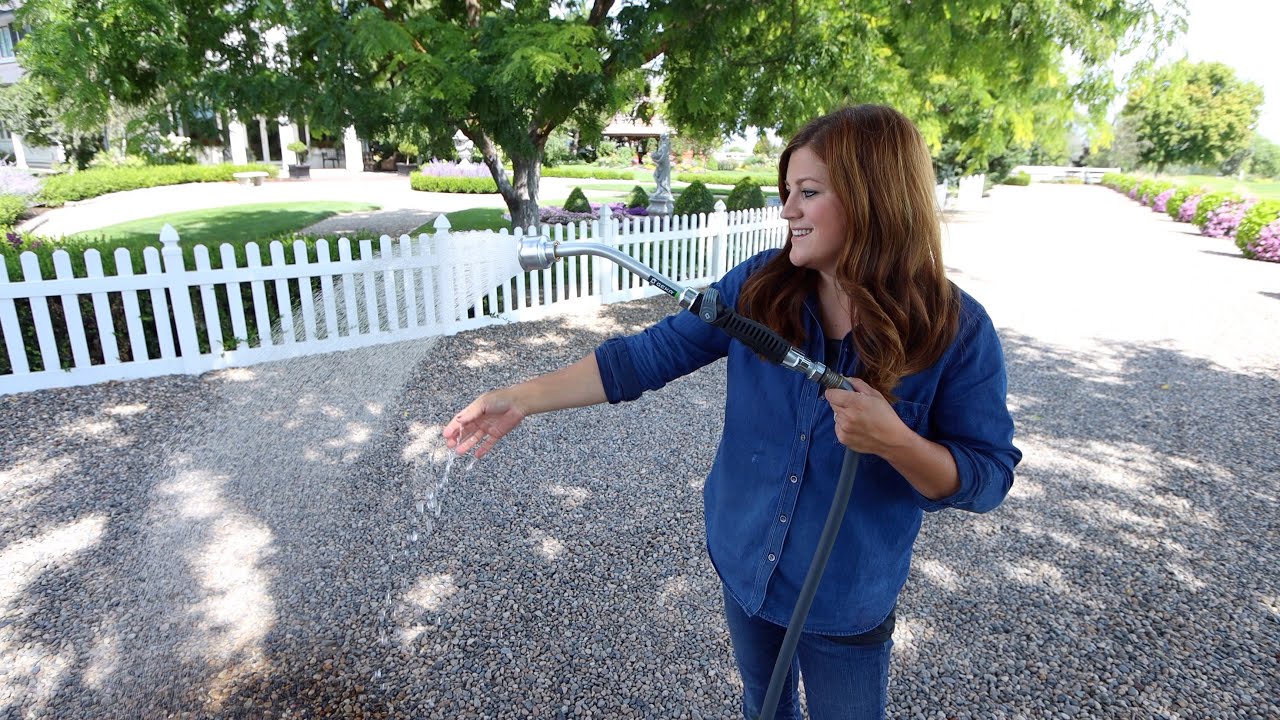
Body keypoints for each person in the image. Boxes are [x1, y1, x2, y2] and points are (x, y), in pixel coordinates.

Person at [443, 105, 1021, 719]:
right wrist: (520, 399)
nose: (787, 211)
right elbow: (646, 356)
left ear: (872, 196)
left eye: (808, 193)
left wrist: (896, 442)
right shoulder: (758, 289)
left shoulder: (954, 330)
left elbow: (988, 478)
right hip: (747, 565)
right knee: (763, 707)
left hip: (846, 598)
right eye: (787, 192)